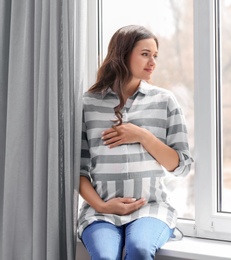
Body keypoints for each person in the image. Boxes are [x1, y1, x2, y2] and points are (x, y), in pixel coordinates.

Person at [78, 25, 193, 260]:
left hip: (150, 208)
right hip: (101, 212)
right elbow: (77, 170)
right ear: (122, 54)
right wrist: (102, 206)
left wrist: (142, 136)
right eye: (145, 54)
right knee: (104, 256)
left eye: (155, 55)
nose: (153, 62)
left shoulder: (165, 101)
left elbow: (182, 166)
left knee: (139, 249)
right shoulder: (88, 104)